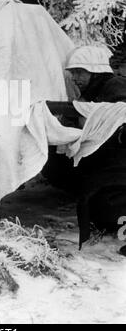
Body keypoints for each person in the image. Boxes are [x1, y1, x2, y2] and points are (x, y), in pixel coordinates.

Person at [45, 45, 126, 249]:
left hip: (120, 162)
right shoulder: (94, 92)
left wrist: (53, 107)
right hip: (110, 161)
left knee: (106, 205)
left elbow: (114, 112)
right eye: (73, 73)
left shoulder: (115, 86)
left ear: (97, 71)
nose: (75, 78)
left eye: (80, 72)